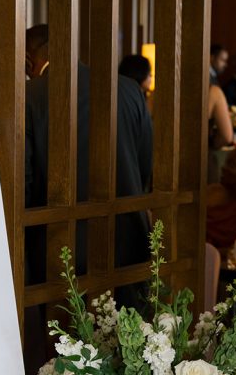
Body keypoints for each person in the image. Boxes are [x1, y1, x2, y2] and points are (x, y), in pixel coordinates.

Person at [25, 25, 153, 286]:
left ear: (28, 60)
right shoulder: (129, 89)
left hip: (60, 250)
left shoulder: (30, 96)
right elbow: (144, 166)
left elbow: (24, 185)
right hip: (129, 242)